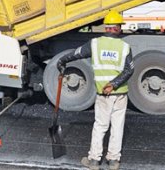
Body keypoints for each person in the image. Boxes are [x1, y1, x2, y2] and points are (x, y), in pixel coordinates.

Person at [56, 11, 134, 170]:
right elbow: (129, 70)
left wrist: (62, 60)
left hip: (103, 94)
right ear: (118, 28)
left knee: (100, 125)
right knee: (117, 126)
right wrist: (114, 83)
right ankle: (113, 161)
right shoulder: (125, 47)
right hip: (120, 94)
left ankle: (94, 160)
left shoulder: (95, 44)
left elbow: (76, 54)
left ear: (106, 27)